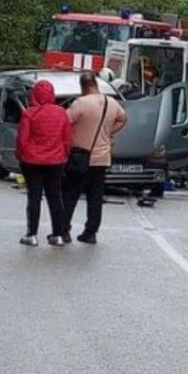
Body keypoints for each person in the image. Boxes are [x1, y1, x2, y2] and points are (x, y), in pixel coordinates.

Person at [62, 71, 127, 245]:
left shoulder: (80, 103)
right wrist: (109, 132)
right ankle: (91, 232)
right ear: (96, 84)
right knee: (95, 197)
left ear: (83, 86)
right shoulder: (111, 103)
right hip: (102, 158)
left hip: (80, 157)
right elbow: (123, 118)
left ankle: (64, 229)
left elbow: (65, 122)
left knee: (70, 194)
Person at [15, 80, 72, 248]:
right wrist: (65, 154)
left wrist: (20, 155)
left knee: (34, 197)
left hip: (32, 160)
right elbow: (67, 138)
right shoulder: (61, 113)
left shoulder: (29, 114)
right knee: (55, 197)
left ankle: (31, 234)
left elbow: (22, 139)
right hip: (56, 160)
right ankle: (58, 234)